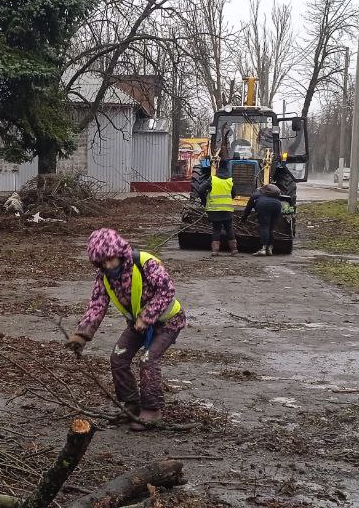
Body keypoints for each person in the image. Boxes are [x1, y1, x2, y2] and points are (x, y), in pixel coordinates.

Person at [66, 229, 187, 431]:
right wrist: (82, 334)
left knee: (148, 360)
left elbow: (167, 290)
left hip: (168, 322)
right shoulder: (104, 277)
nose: (107, 265)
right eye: (101, 262)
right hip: (137, 325)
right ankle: (132, 404)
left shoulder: (145, 262)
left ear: (119, 252)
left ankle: (152, 409)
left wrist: (147, 316)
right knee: (118, 358)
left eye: (110, 259)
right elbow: (97, 305)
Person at [196, 158, 237, 255]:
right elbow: (234, 194)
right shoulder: (230, 180)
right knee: (229, 228)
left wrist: (204, 201)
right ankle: (234, 249)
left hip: (214, 209)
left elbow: (201, 190)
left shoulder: (212, 179)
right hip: (227, 209)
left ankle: (215, 250)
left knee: (216, 229)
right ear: (227, 167)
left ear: (218, 167)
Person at [240, 183, 284, 256]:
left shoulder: (255, 195)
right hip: (277, 205)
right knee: (271, 228)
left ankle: (263, 249)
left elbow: (248, 209)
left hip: (264, 205)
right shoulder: (273, 194)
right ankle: (270, 249)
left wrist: (243, 219)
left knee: (264, 227)